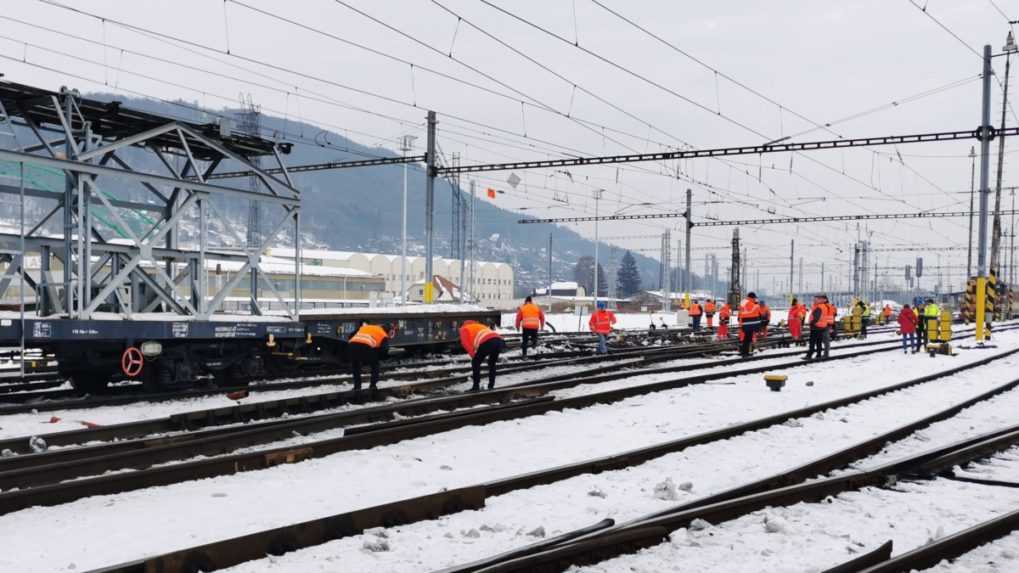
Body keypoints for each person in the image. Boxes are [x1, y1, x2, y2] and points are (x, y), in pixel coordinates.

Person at [459, 320, 505, 391]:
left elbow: (466, 344)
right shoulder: (480, 326)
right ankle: (491, 385)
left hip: (487, 342)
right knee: (492, 363)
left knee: (475, 363)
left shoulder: (464, 329)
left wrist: (474, 356)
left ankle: (476, 386)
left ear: (462, 325)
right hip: (499, 341)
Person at [348, 320, 390, 395]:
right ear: (386, 330)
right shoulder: (383, 334)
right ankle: (372, 386)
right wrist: (378, 357)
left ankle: (357, 387)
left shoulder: (366, 327)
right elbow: (384, 350)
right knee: (375, 365)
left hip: (352, 345)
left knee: (356, 366)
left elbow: (350, 335)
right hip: (366, 347)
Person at [804, 295, 833, 360]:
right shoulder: (825, 306)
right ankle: (819, 354)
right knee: (819, 341)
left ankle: (811, 354)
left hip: (819, 326)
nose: (814, 300)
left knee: (816, 341)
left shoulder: (822, 306)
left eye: (816, 299)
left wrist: (812, 323)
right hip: (823, 325)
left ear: (823, 299)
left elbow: (817, 317)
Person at [738, 292, 763, 357]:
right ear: (752, 298)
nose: (755, 299)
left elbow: (741, 313)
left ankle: (745, 351)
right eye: (754, 298)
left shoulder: (743, 303)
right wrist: (757, 305)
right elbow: (757, 310)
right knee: (748, 338)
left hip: (745, 323)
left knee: (747, 338)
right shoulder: (750, 303)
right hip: (749, 323)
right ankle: (745, 353)